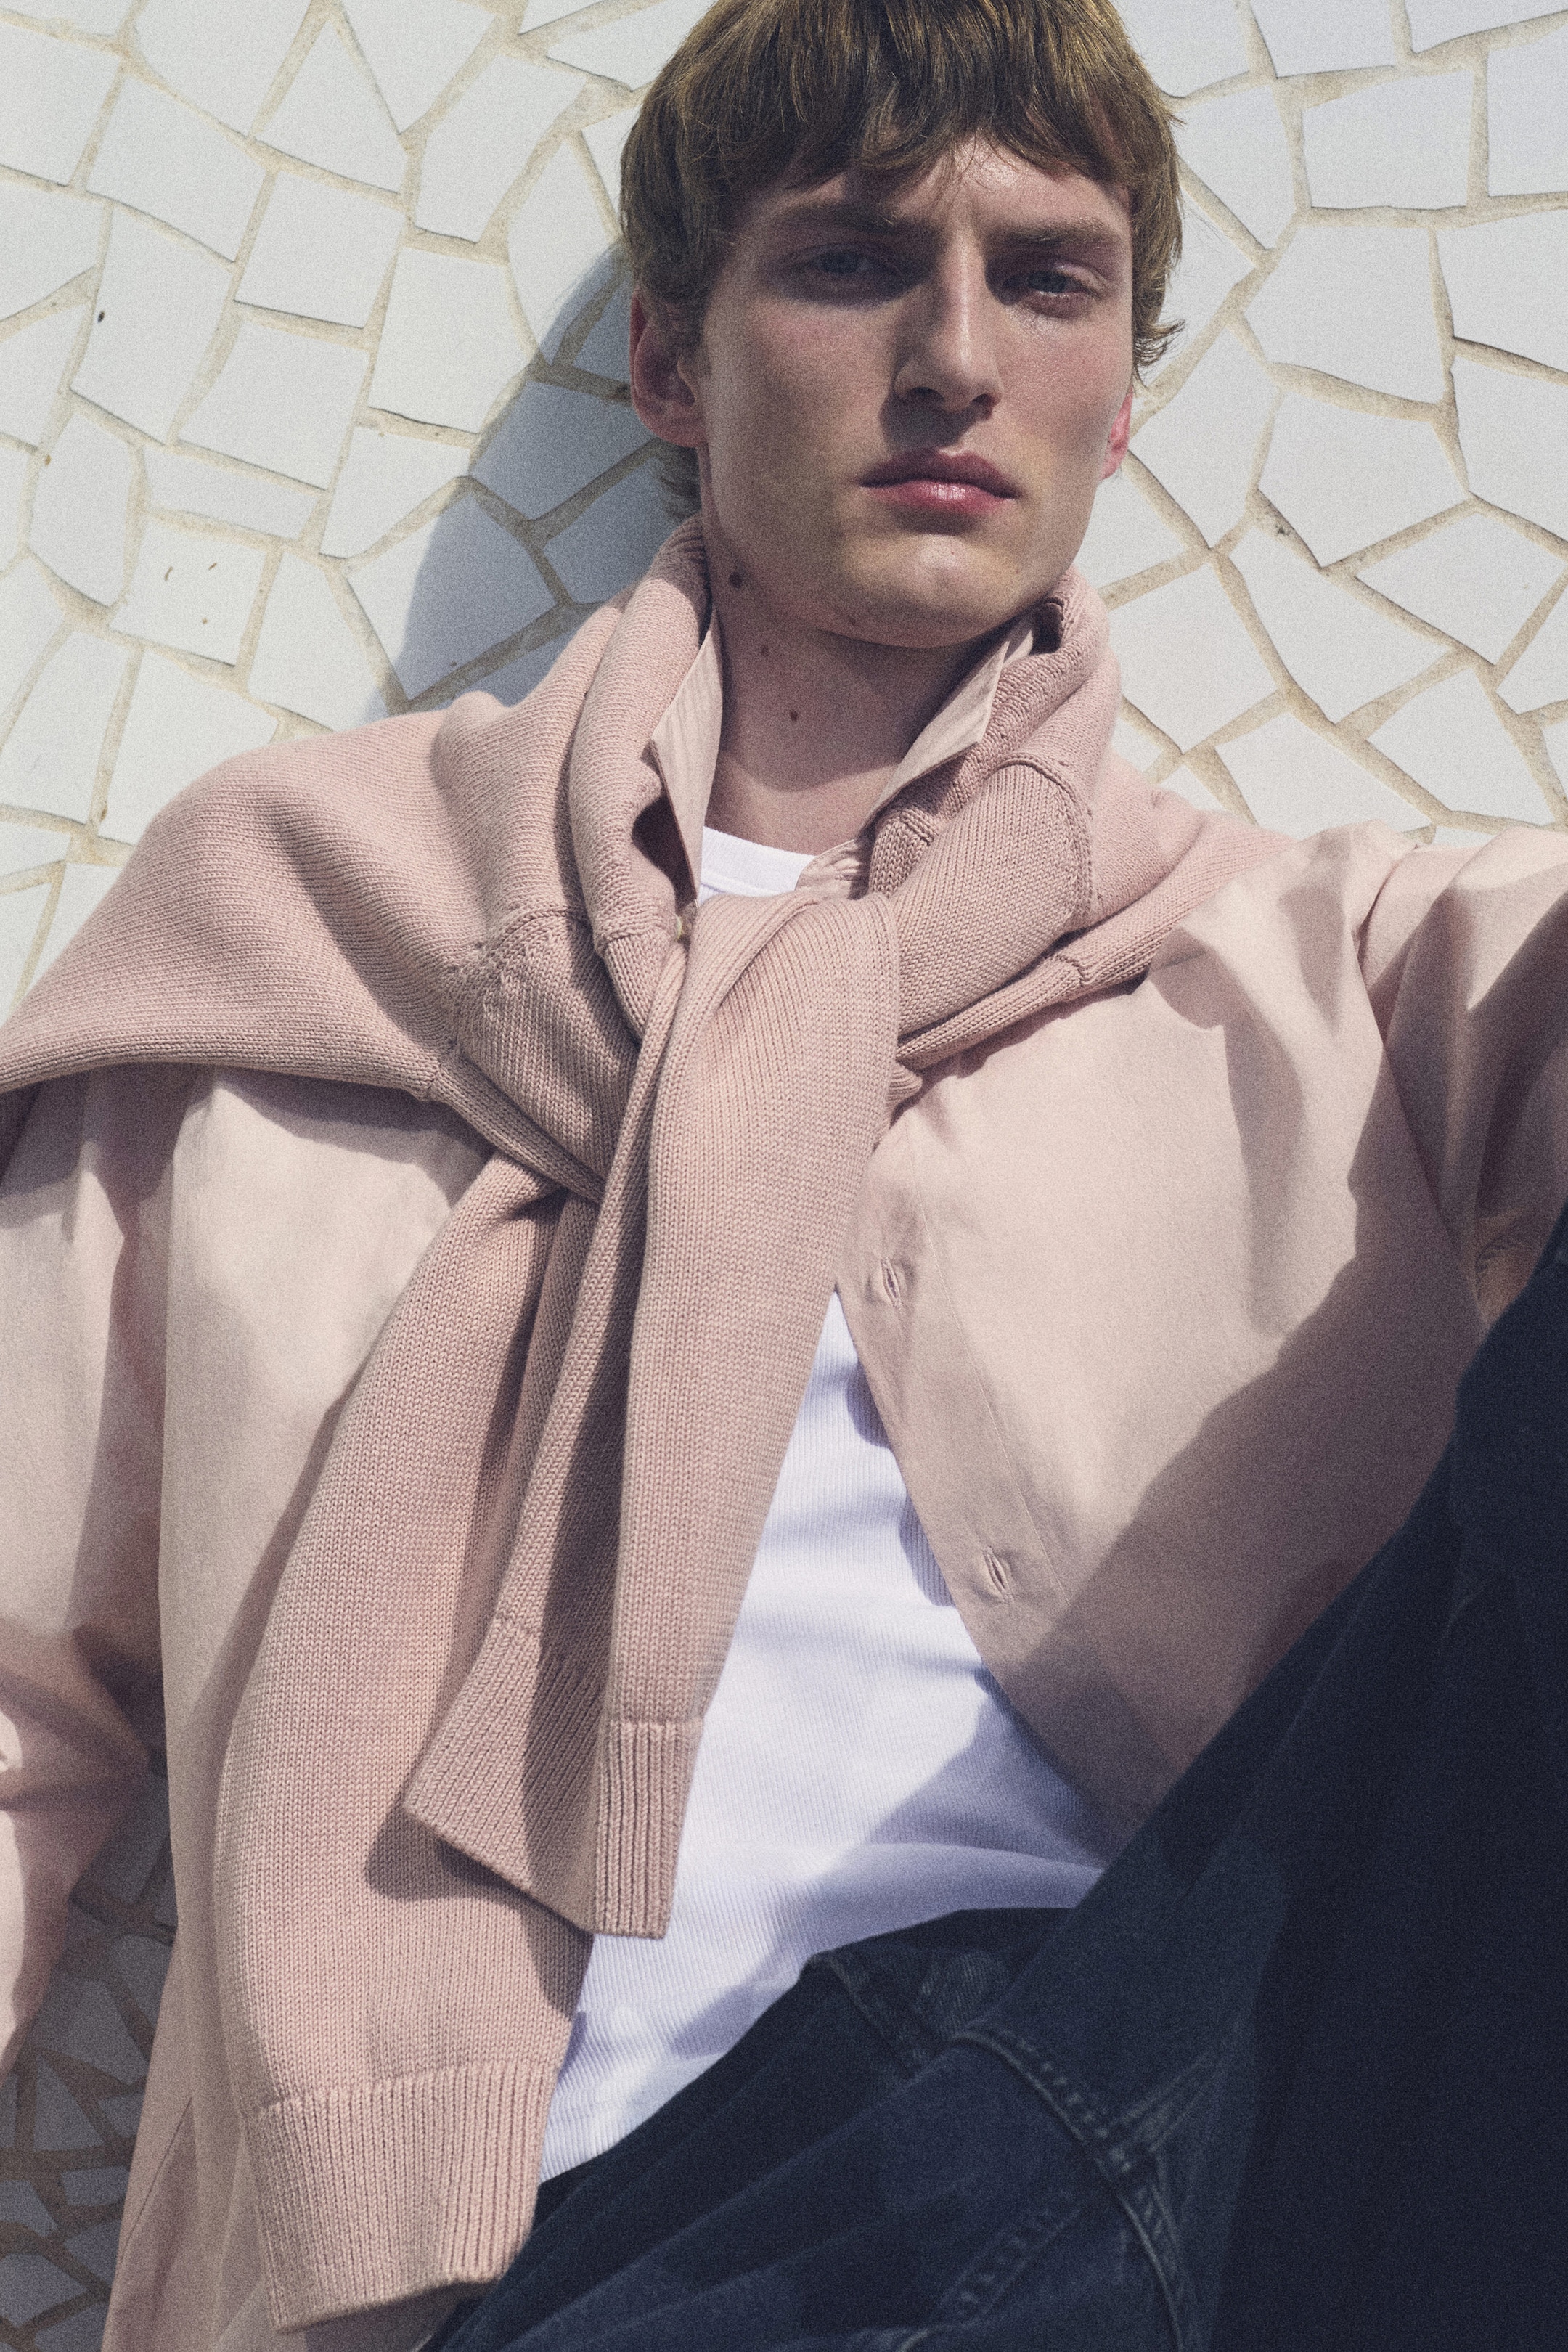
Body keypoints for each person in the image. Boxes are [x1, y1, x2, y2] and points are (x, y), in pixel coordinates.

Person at [0, 2, 1564, 2348]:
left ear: (1123, 392)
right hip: (499, 2288)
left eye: (1048, 282)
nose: (955, 355)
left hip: (1154, 2211)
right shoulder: (303, 935)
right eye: (850, 264)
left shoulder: (1330, 974)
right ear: (666, 359)